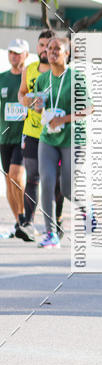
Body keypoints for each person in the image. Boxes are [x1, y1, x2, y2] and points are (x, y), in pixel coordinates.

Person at [33, 36, 89, 248]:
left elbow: (88, 109)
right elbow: (39, 107)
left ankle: (86, 208)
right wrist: (37, 106)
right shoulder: (42, 79)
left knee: (67, 189)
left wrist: (63, 119)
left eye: (57, 48)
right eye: (49, 48)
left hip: (72, 138)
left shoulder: (77, 78)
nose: (52, 51)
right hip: (48, 137)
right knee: (46, 181)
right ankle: (50, 233)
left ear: (67, 53)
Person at [18, 30, 65, 238]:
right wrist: (25, 100)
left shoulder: (62, 73)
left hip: (56, 134)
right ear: (37, 47)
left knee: (55, 181)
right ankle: (28, 222)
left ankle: (58, 220)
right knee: (32, 177)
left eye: (50, 46)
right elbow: (22, 93)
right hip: (32, 131)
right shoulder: (29, 70)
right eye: (42, 45)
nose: (45, 49)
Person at [0, 39, 29, 239]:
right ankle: (19, 222)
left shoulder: (30, 77)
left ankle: (25, 216)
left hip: (24, 135)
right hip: (4, 136)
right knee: (9, 180)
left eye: (18, 53)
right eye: (11, 52)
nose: (14, 56)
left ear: (26, 55)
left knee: (16, 175)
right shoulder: (2, 78)